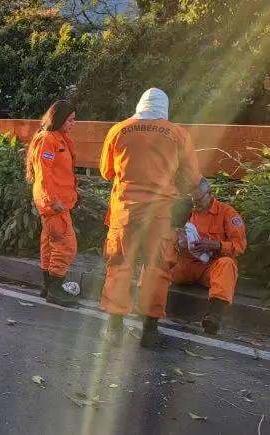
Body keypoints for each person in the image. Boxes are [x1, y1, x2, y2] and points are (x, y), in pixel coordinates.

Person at [99, 88, 201, 348]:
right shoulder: (178, 134)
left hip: (126, 211)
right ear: (164, 108)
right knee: (156, 268)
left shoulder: (119, 130)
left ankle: (113, 329)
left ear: (139, 105)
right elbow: (192, 178)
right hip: (160, 213)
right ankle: (150, 331)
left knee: (120, 265)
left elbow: (106, 170)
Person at [171, 177, 247, 335]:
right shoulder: (186, 210)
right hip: (186, 263)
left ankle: (214, 316)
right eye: (192, 200)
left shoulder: (227, 213)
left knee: (227, 264)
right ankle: (143, 301)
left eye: (198, 200)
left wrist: (217, 245)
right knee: (158, 258)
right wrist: (179, 242)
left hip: (210, 266)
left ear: (210, 194)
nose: (195, 204)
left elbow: (240, 245)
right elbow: (168, 234)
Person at [25, 100, 79, 307]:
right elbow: (43, 172)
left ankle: (49, 287)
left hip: (58, 201)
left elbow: (61, 172)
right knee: (66, 245)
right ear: (59, 118)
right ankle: (56, 289)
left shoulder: (59, 139)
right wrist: (52, 199)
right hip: (54, 203)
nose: (73, 123)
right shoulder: (48, 139)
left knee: (50, 243)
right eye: (70, 120)